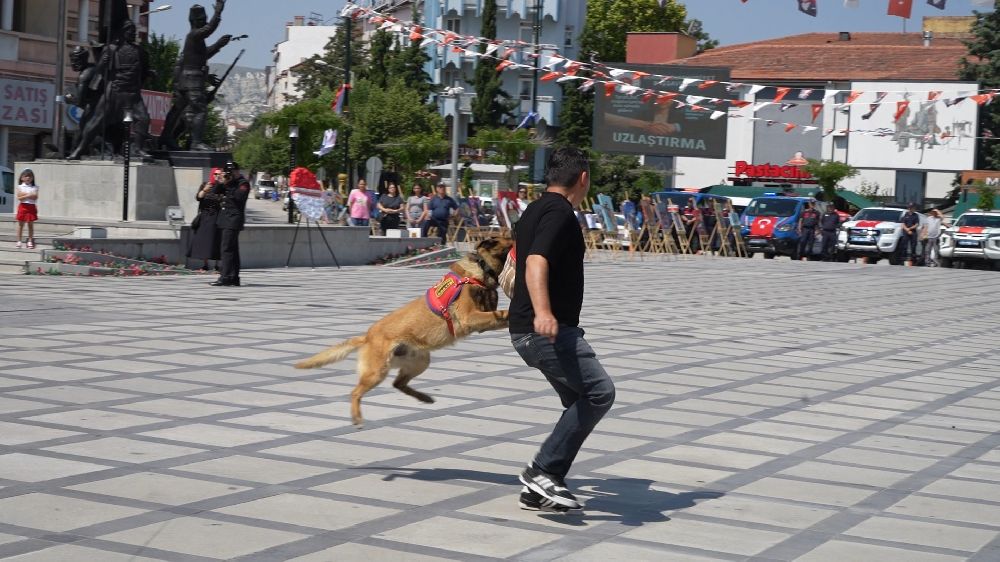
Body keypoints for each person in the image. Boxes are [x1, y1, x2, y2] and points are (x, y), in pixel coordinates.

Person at [510, 147, 615, 513]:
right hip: (546, 330)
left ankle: (538, 489)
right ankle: (543, 471)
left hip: (528, 330)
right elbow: (536, 261)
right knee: (599, 393)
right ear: (583, 178)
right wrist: (543, 312)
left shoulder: (534, 209)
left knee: (578, 401)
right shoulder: (560, 213)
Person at [162, 1, 231, 151]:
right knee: (200, 110)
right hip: (193, 81)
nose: (205, 22)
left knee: (177, 110)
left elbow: (202, 55)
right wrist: (218, 13)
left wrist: (218, 45)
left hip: (186, 81)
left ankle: (165, 137)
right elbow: (209, 29)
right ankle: (196, 143)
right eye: (202, 19)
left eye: (205, 19)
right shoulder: (194, 35)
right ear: (195, 21)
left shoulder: (195, 39)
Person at [211, 161, 249, 286]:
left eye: (232, 172)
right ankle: (234, 277)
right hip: (225, 219)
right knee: (233, 250)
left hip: (233, 220)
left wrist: (229, 184)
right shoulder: (228, 182)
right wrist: (220, 181)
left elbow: (239, 197)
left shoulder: (243, 183)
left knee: (226, 248)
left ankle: (225, 276)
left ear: (237, 171)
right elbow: (215, 191)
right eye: (228, 172)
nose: (230, 174)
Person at [186, 168, 223, 269]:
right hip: (205, 216)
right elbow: (198, 197)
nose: (217, 176)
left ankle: (217, 264)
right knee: (204, 240)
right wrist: (205, 190)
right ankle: (205, 264)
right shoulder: (205, 185)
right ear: (212, 174)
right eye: (215, 174)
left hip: (216, 216)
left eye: (219, 174)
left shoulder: (222, 187)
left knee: (216, 239)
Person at [15, 169, 39, 249]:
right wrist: (29, 195)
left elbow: (35, 197)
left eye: (30, 176)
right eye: (26, 176)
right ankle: (19, 241)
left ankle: (30, 241)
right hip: (23, 207)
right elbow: (19, 197)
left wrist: (24, 195)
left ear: (32, 178)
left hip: (31, 207)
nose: (28, 178)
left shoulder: (34, 187)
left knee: (30, 225)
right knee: (20, 225)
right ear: (22, 178)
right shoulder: (20, 187)